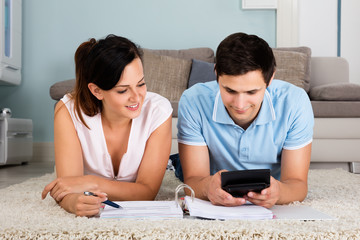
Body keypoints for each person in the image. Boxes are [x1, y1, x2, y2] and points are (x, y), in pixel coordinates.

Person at [177, 32, 314, 208]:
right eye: (230, 91)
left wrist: (279, 191)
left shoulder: (295, 102)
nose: (240, 104)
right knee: (179, 167)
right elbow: (193, 182)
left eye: (252, 92)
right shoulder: (193, 100)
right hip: (211, 174)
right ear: (216, 73)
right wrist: (206, 188)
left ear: (270, 78)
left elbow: (297, 184)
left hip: (270, 182)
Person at [42, 35, 172, 216]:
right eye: (122, 90)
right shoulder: (68, 111)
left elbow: (147, 192)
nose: (136, 97)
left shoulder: (158, 111)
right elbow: (68, 187)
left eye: (141, 84)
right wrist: (73, 202)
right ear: (97, 91)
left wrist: (91, 182)